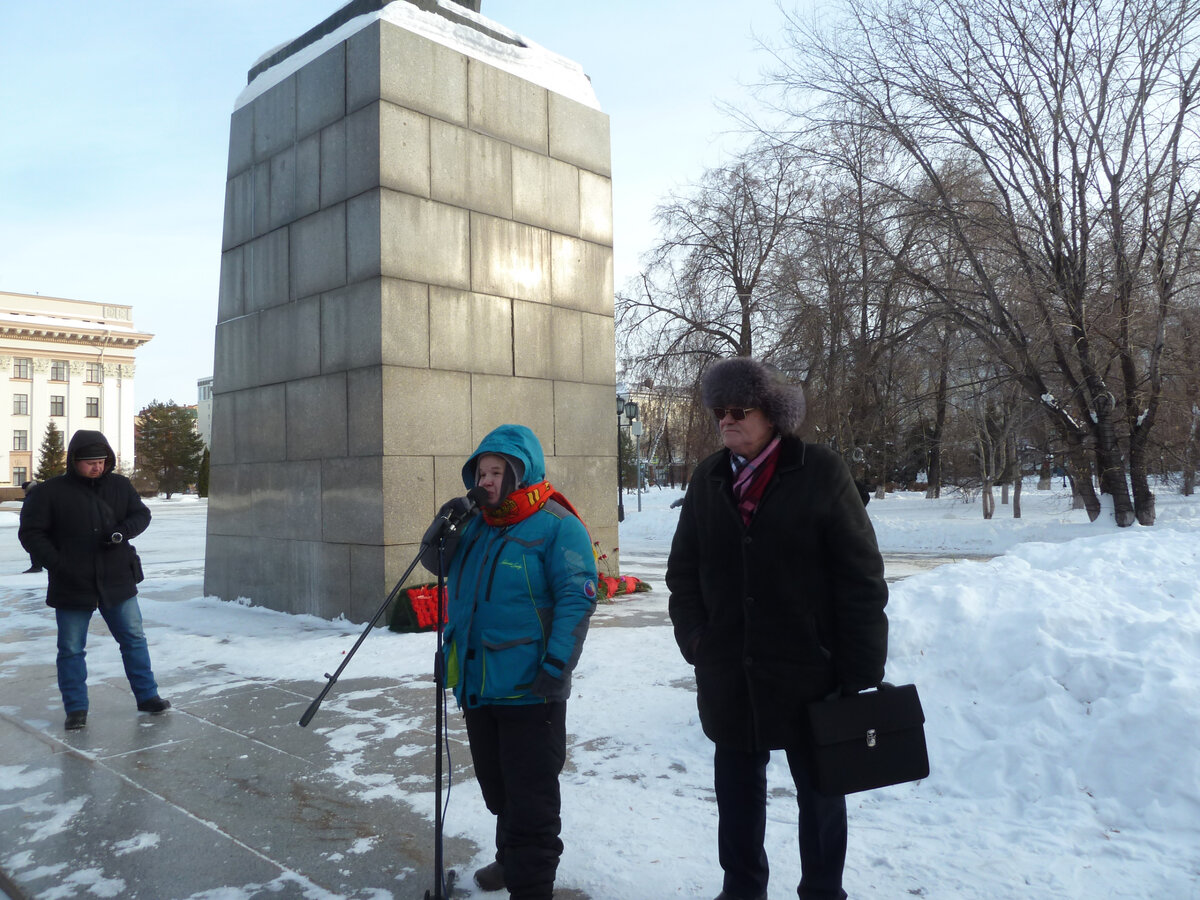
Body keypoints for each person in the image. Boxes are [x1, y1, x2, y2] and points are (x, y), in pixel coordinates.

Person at [666, 358, 889, 900]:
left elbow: (861, 577)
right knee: (737, 795)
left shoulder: (820, 472)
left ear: (771, 414)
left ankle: (822, 890)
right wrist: (697, 640)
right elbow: (683, 571)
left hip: (809, 671)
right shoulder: (709, 477)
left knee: (820, 795)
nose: (726, 421)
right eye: (718, 411)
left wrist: (857, 668)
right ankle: (742, 889)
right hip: (730, 671)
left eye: (738, 410)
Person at [422, 424, 597, 900]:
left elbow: (577, 599)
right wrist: (443, 526)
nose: (487, 481)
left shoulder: (558, 525)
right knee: (500, 791)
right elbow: (435, 565)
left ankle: (532, 884)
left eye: (497, 472)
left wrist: (556, 667)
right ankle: (510, 859)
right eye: (481, 471)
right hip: (480, 683)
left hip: (531, 689)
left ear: (522, 473)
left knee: (531, 801)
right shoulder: (476, 525)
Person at [18, 429, 169, 731]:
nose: (97, 467)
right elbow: (31, 533)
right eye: (90, 462)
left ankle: (147, 696)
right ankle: (76, 708)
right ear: (74, 461)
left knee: (134, 640)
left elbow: (141, 515)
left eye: (101, 461)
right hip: (72, 582)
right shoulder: (50, 492)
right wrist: (58, 564)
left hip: (117, 580)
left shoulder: (120, 486)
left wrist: (122, 532)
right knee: (71, 649)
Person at [20, 480, 44, 572]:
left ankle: (37, 566)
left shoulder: (33, 495)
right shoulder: (35, 493)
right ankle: (37, 565)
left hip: (34, 524)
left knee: (33, 544)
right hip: (33, 523)